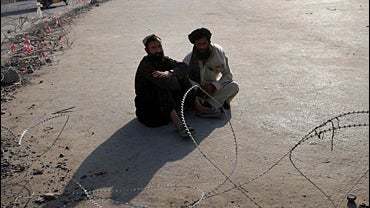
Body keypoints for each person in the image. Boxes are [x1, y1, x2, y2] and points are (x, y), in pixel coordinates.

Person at [134, 34, 195, 139]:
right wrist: (174, 76)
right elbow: (164, 83)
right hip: (150, 110)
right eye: (153, 48)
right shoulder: (145, 66)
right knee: (161, 86)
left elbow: (184, 67)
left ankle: (199, 108)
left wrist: (169, 72)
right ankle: (179, 125)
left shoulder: (164, 60)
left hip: (165, 104)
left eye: (159, 46)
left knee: (180, 75)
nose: (158, 50)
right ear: (147, 50)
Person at [183, 28, 239, 118]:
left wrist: (214, 85)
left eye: (204, 44)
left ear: (209, 42)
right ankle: (208, 106)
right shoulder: (188, 59)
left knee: (234, 86)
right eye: (199, 44)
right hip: (197, 92)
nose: (202, 47)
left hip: (213, 90)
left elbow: (228, 75)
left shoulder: (218, 54)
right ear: (195, 44)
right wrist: (198, 88)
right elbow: (184, 79)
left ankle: (208, 106)